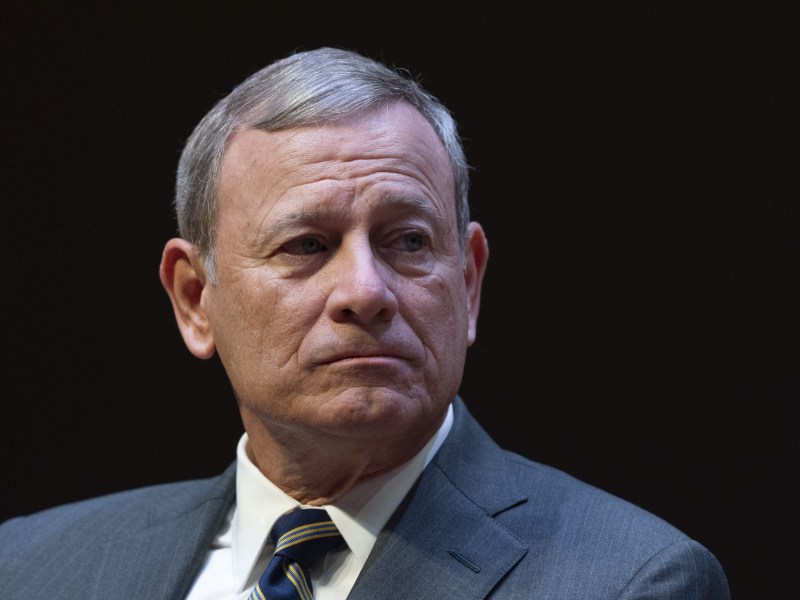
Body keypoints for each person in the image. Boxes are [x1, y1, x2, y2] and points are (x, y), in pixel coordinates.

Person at [0, 47, 730, 599]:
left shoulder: (630, 581)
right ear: (196, 299)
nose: (364, 291)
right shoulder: (30, 567)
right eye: (307, 245)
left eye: (408, 241)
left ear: (468, 282)